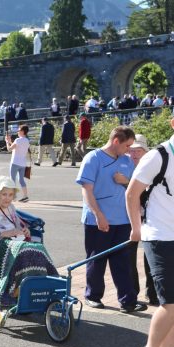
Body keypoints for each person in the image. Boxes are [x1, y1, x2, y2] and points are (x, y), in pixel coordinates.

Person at [76, 125, 146, 313]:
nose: (129, 151)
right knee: (96, 260)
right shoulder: (93, 158)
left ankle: (128, 300)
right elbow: (87, 190)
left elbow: (136, 189)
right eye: (127, 146)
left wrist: (125, 182)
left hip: (122, 220)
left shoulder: (126, 161)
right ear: (116, 141)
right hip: (98, 221)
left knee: (122, 262)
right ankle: (93, 296)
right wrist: (99, 215)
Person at [0, 176, 58, 326]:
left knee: (38, 249)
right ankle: (6, 297)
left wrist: (24, 231)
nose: (7, 198)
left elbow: (18, 225)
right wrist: (2, 234)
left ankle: (43, 288)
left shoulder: (11, 208)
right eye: (4, 194)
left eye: (11, 195)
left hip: (13, 241)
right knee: (22, 250)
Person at [126, 118, 174, 347]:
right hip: (159, 237)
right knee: (169, 303)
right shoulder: (157, 157)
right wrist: (137, 229)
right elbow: (132, 195)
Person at [126, 135, 159, 306]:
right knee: (129, 257)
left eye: (138, 151)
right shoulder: (125, 165)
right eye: (131, 151)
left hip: (151, 220)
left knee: (151, 258)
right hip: (130, 218)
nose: (134, 154)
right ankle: (132, 292)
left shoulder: (154, 165)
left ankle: (152, 293)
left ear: (145, 151)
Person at [4, 125, 30, 202]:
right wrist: (10, 142)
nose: (17, 132)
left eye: (18, 131)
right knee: (21, 180)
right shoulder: (27, 140)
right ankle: (25, 196)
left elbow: (9, 149)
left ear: (22, 131)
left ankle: (13, 197)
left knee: (12, 180)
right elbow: (16, 147)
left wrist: (7, 142)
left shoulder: (18, 140)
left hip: (15, 162)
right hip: (22, 163)